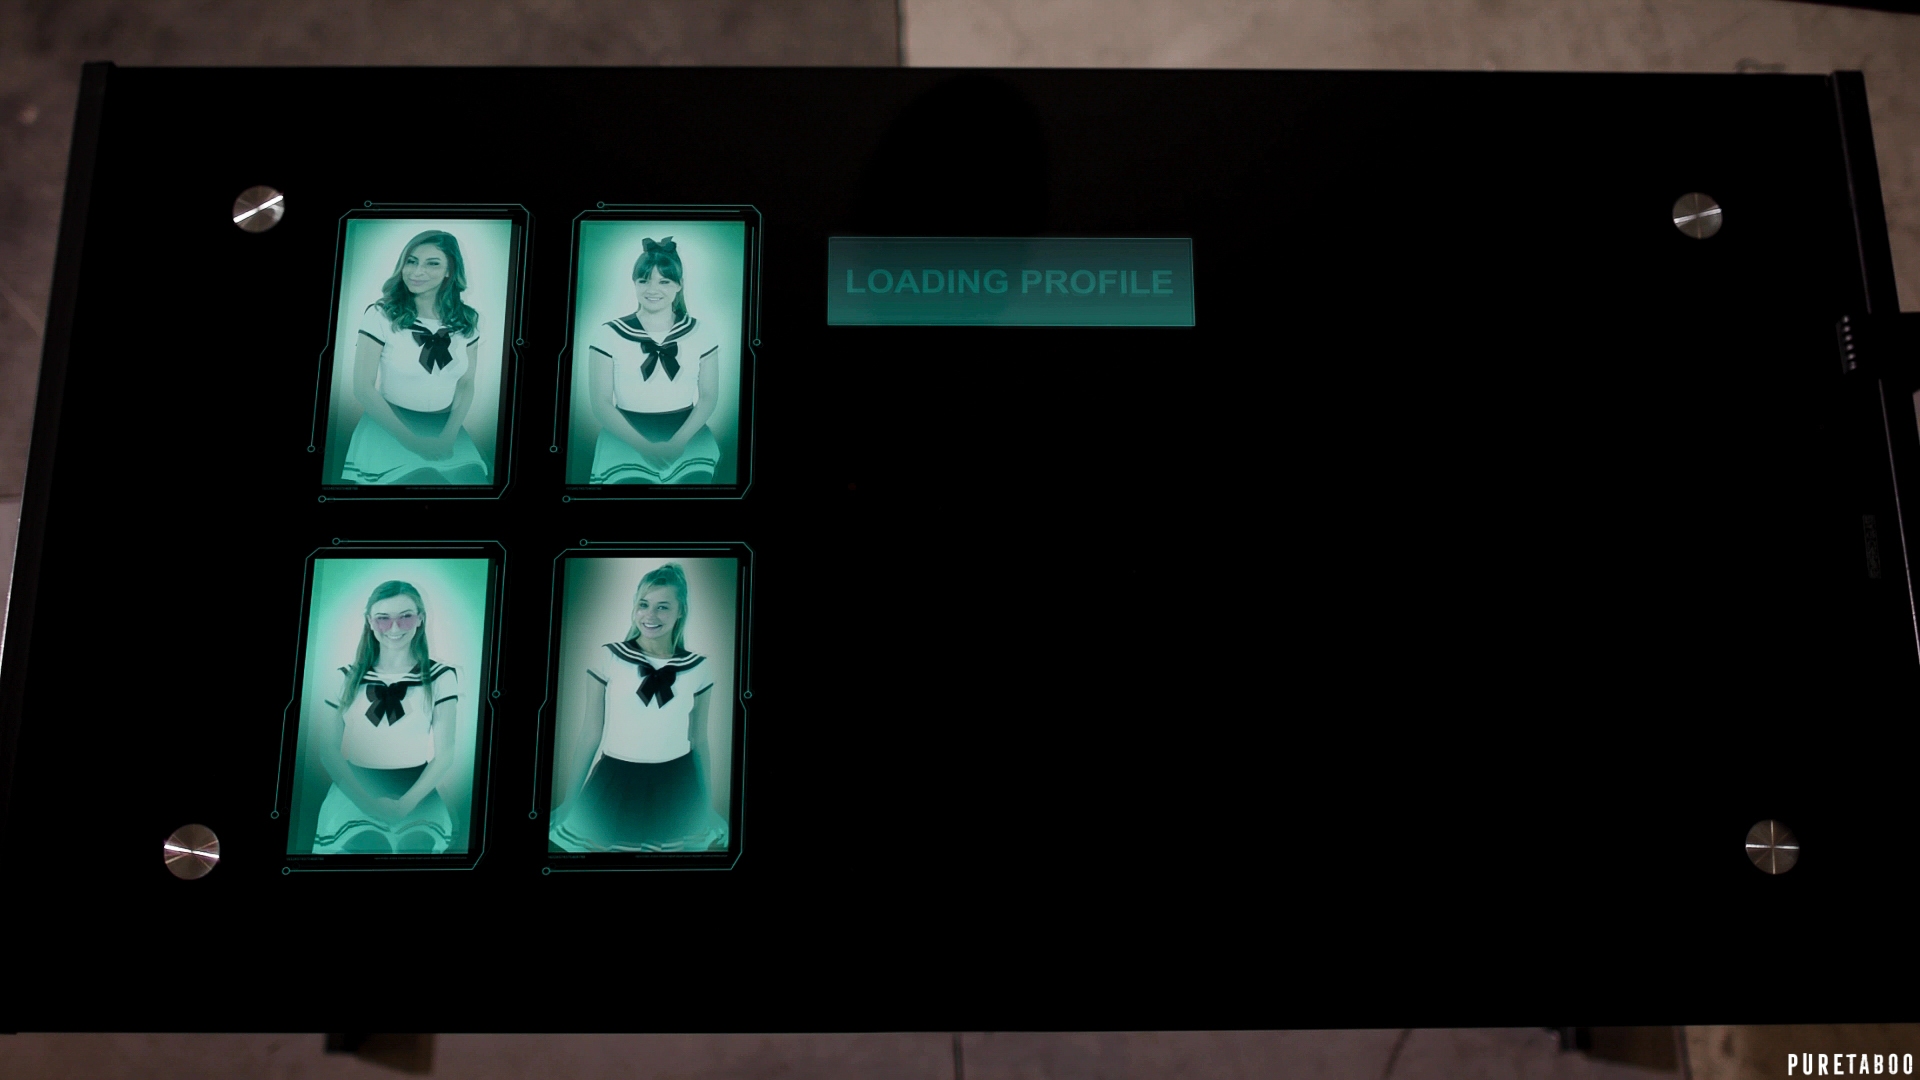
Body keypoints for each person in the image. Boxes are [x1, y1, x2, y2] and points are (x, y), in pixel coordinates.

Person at [551, 563, 727, 852]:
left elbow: (700, 741)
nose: (650, 615)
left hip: (676, 785)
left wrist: (707, 806)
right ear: (634, 606)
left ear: (681, 611)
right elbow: (590, 733)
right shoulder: (609, 657)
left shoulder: (698, 667)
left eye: (663, 607)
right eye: (644, 604)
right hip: (616, 780)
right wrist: (570, 802)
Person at [310, 580, 460, 854]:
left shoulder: (441, 677)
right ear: (369, 621)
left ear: (420, 619)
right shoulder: (344, 677)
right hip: (355, 787)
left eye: (405, 617)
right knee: (359, 850)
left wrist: (405, 805)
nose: (394, 628)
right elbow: (328, 751)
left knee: (415, 852)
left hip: (416, 790)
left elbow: (445, 754)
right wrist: (366, 804)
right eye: (383, 618)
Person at [341, 230, 491, 485]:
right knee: (424, 482)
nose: (417, 271)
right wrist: (411, 441)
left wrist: (449, 435)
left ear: (449, 271)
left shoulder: (468, 320)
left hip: (446, 428)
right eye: (412, 261)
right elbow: (363, 388)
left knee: (476, 485)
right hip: (391, 427)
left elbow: (466, 384)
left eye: (432, 263)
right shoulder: (381, 314)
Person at [586, 237, 722, 484]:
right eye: (644, 280)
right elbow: (601, 404)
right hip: (625, 435)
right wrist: (644, 447)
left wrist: (678, 443)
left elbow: (709, 397)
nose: (652, 289)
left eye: (664, 281)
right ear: (634, 283)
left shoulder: (702, 332)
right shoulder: (608, 334)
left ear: (679, 285)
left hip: (688, 436)